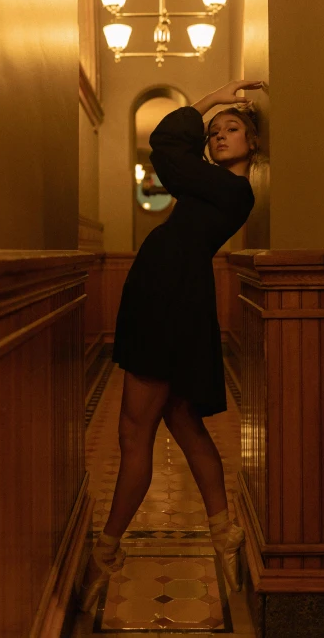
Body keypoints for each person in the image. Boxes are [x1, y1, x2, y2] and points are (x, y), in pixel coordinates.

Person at [78, 79, 262, 613]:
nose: (220, 136)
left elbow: (164, 144)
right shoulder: (212, 185)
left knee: (135, 431)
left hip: (170, 300)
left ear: (254, 143)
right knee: (181, 419)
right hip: (171, 295)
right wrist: (212, 106)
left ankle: (105, 552)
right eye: (215, 132)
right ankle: (225, 536)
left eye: (233, 129)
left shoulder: (230, 190)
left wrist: (208, 99)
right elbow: (173, 150)